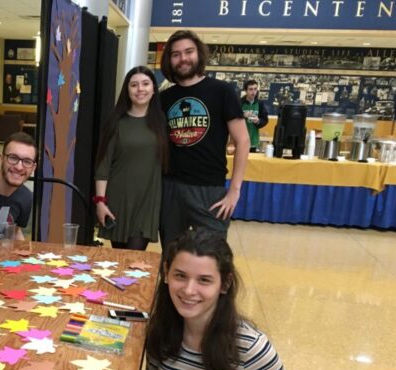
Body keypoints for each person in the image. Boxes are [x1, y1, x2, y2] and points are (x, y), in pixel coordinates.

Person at [145, 229, 290, 370]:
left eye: (204, 280)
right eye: (180, 275)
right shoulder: (161, 332)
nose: (188, 290)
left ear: (225, 284)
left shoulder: (254, 351)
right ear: (167, 273)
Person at [159, 29, 250, 246]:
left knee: (213, 257)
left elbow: (243, 141)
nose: (183, 58)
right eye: (176, 54)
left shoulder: (222, 91)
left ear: (198, 54)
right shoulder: (163, 98)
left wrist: (234, 191)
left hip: (209, 190)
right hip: (171, 187)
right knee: (171, 256)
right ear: (169, 61)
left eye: (188, 52)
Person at [94, 65, 169, 251]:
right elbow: (103, 166)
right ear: (127, 91)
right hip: (119, 201)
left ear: (153, 89)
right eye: (134, 85)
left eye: (145, 84)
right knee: (121, 261)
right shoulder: (115, 123)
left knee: (135, 257)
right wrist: (100, 202)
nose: (140, 89)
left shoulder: (162, 123)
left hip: (148, 201)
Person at [240, 80, 269, 152]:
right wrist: (242, 115)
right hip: (240, 140)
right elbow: (231, 118)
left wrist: (258, 121)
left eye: (255, 89)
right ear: (245, 90)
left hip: (253, 140)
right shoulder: (239, 103)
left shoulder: (260, 104)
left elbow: (265, 120)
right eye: (250, 89)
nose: (253, 92)